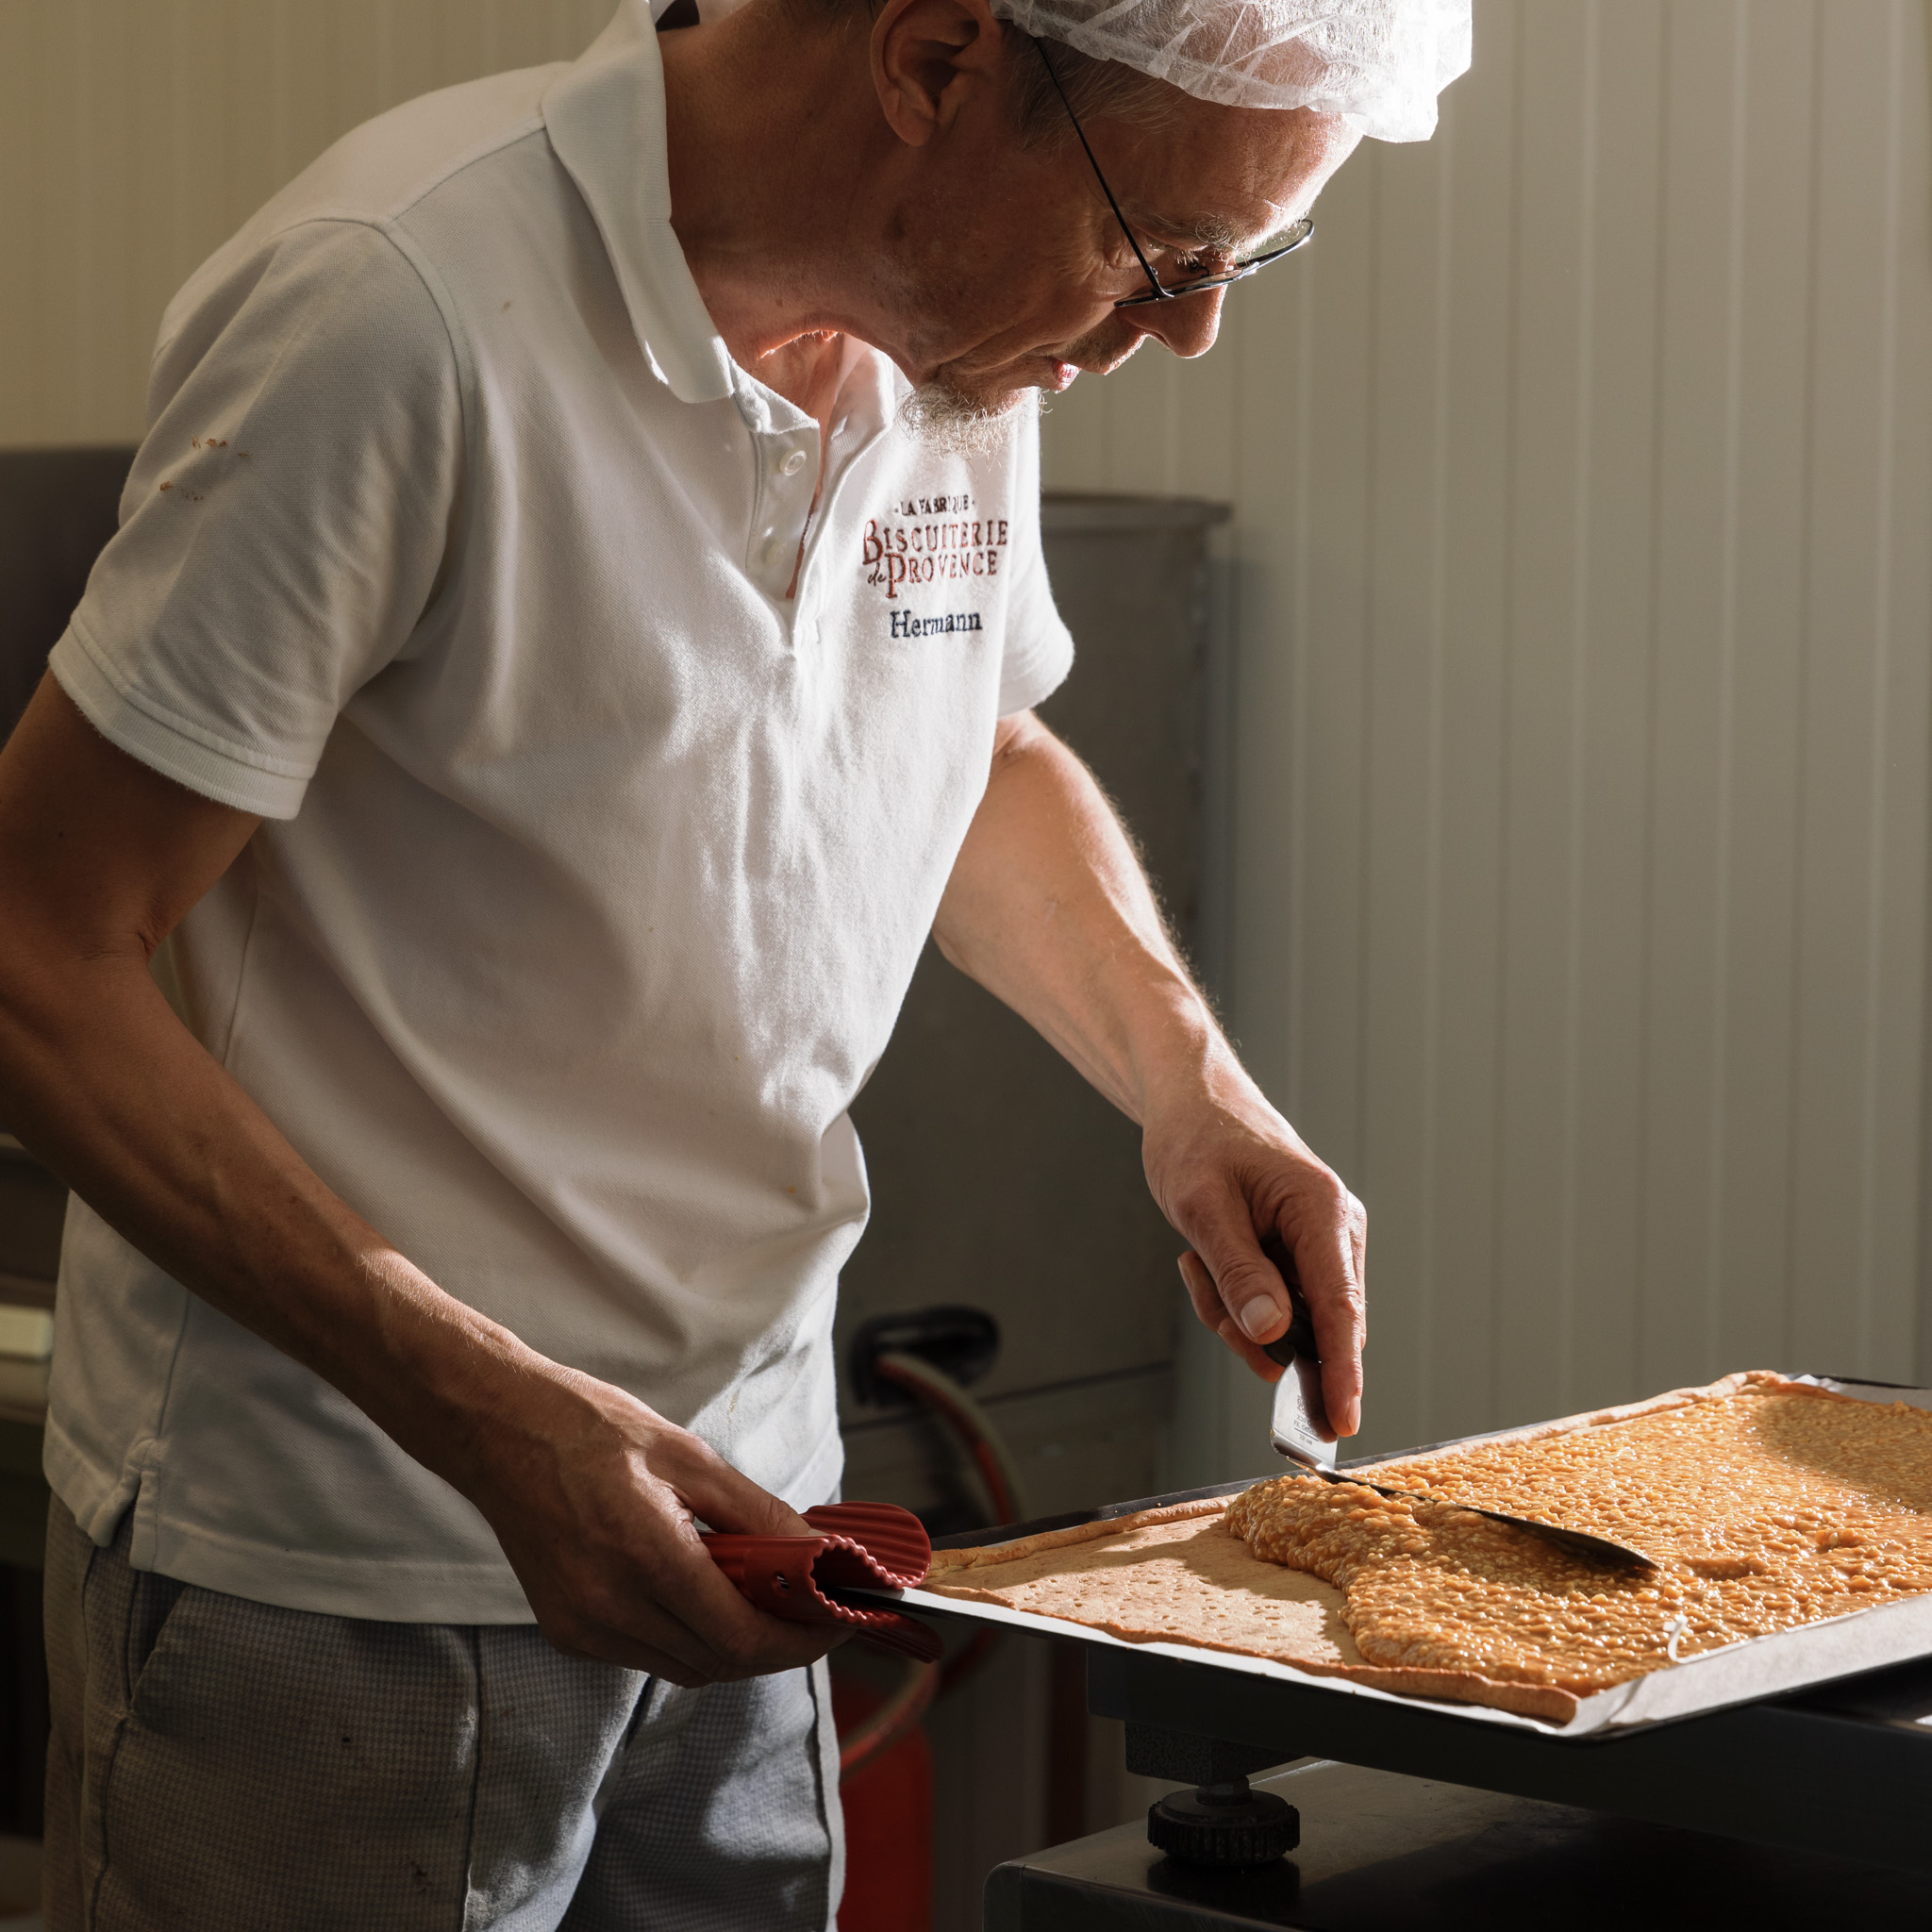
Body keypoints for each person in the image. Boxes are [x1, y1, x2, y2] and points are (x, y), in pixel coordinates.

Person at [0, 0, 1467, 1924]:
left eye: (1230, 264)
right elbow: (38, 946)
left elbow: (974, 746)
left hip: (748, 1520)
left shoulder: (961, 356)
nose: (1179, 326)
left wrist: (1187, 1083)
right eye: (1155, 249)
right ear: (934, 61)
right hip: (348, 1555)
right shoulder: (397, 310)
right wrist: (492, 1417)